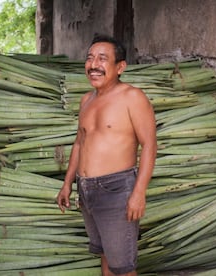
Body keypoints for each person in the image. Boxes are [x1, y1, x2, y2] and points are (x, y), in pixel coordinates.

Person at [57, 34, 157, 276]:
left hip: (116, 190)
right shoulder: (86, 100)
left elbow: (150, 145)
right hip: (86, 189)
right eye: (90, 58)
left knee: (123, 267)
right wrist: (68, 183)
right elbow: (80, 143)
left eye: (103, 59)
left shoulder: (132, 97)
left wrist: (139, 193)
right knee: (106, 255)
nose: (94, 65)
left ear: (120, 66)